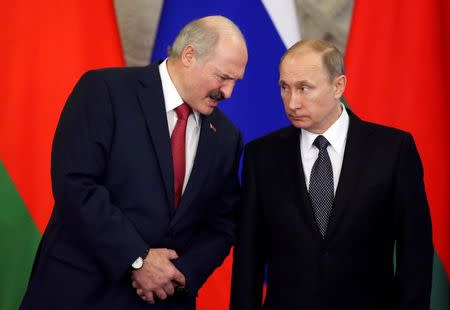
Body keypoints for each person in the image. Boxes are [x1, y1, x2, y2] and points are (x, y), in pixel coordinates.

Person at [20, 15, 247, 309]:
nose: (228, 92)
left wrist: (179, 274)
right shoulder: (105, 90)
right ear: (189, 55)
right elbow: (76, 185)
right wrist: (138, 258)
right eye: (223, 77)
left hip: (163, 299)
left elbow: (222, 222)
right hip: (83, 292)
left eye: (235, 82)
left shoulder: (226, 136)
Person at [230, 39, 433, 310]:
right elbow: (248, 259)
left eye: (304, 88)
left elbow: (415, 254)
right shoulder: (262, 156)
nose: (292, 102)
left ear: (338, 86)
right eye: (284, 88)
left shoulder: (393, 150)